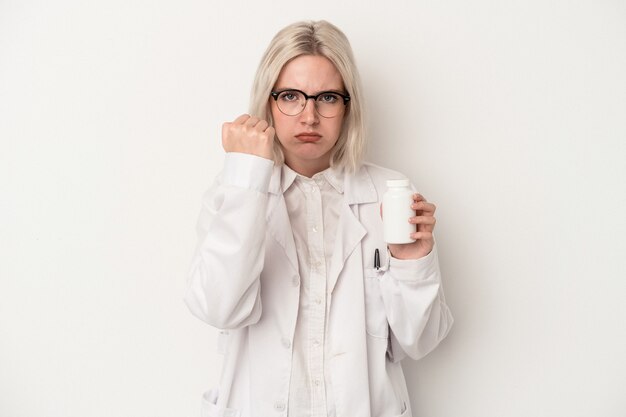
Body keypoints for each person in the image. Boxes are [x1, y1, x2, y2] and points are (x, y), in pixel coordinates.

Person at [185, 20, 453, 417]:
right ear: (268, 103)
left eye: (327, 97)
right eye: (291, 96)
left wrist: (413, 263)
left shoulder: (389, 194)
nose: (309, 116)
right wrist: (247, 177)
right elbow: (219, 308)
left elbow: (418, 341)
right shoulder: (234, 191)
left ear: (348, 107)